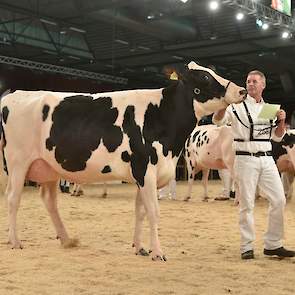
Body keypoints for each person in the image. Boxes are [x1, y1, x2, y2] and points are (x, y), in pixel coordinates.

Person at [213, 70, 295, 260]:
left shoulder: (270, 108)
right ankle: (246, 246)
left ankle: (273, 245)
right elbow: (218, 121)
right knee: (247, 203)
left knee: (279, 200)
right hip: (245, 158)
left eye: (255, 81)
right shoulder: (237, 107)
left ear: (263, 85)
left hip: (266, 159)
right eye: (248, 81)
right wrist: (224, 104)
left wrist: (281, 121)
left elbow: (277, 136)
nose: (250, 84)